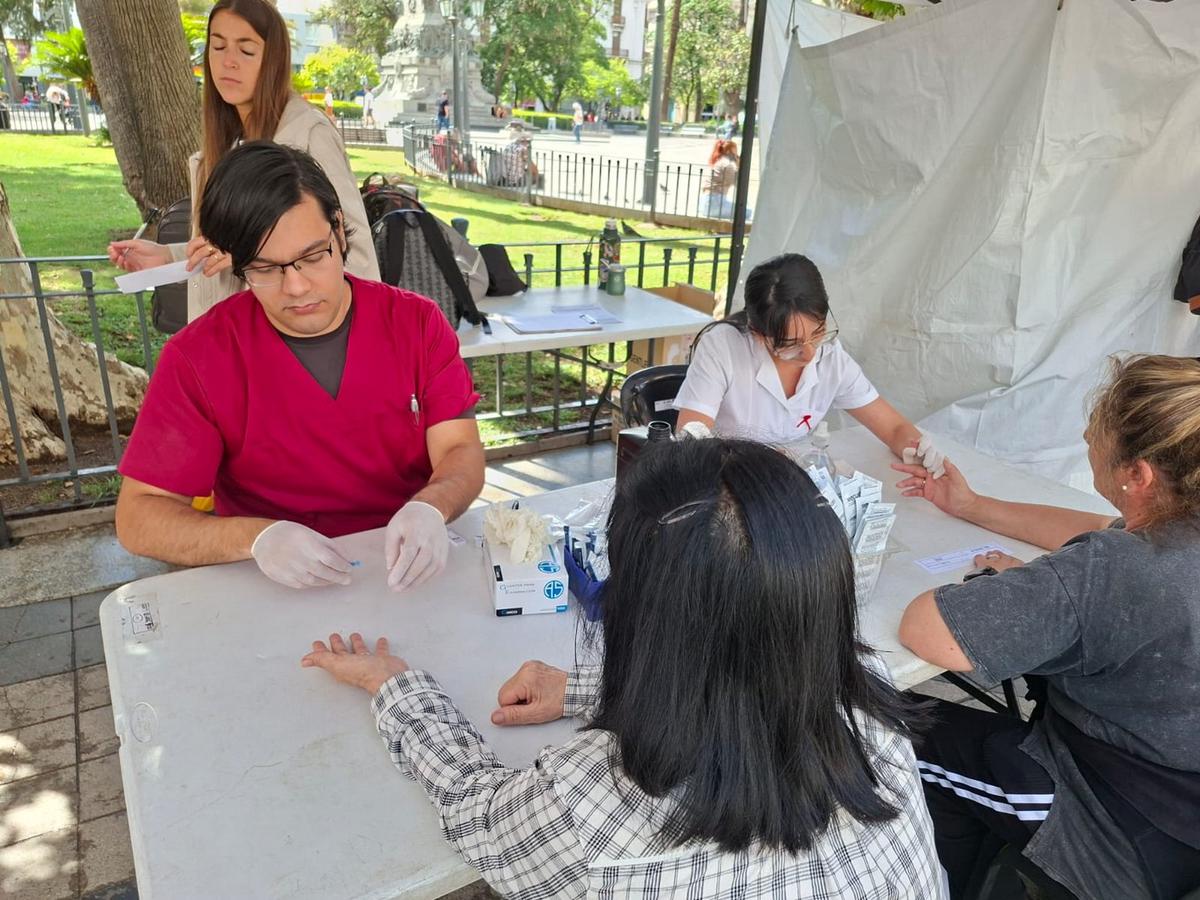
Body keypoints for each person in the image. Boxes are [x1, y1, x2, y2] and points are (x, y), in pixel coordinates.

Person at [301, 438, 946, 898]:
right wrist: (579, 689)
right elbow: (745, 676)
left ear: (642, 608)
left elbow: (476, 812)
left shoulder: (596, 804)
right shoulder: (871, 701)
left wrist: (396, 686)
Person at [114, 142, 484, 592]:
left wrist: (431, 506)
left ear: (340, 232)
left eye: (313, 257)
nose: (297, 287)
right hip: (270, 582)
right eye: (265, 268)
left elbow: (460, 450)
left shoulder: (416, 323)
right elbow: (139, 516)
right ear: (236, 262)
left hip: (402, 567)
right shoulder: (200, 356)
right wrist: (256, 538)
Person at [895, 354, 1200, 899]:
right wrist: (972, 506)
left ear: (1138, 475)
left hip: (1116, 825)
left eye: (1098, 431)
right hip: (1178, 793)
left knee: (888, 730)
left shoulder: (1114, 570)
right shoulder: (1173, 529)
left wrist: (1041, 591)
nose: (1085, 437)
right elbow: (1104, 528)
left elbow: (926, 629)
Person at [107, 0, 378, 322]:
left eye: (246, 50)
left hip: (286, 338)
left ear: (274, 59)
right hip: (226, 336)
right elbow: (223, 249)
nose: (228, 62)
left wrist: (253, 259)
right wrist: (170, 256)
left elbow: (355, 255)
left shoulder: (306, 135)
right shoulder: (224, 144)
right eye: (218, 47)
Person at [675, 253, 945, 472]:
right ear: (758, 334)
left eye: (818, 333)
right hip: (732, 480)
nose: (809, 354)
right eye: (790, 344)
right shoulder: (722, 347)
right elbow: (692, 442)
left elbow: (894, 427)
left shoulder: (831, 358)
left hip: (795, 483)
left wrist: (917, 448)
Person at [697, 138, 749, 220]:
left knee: (742, 209)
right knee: (748, 212)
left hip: (705, 203)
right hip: (715, 204)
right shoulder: (728, 164)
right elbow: (738, 183)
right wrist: (739, 165)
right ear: (730, 151)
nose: (737, 154)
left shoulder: (719, 161)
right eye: (736, 151)